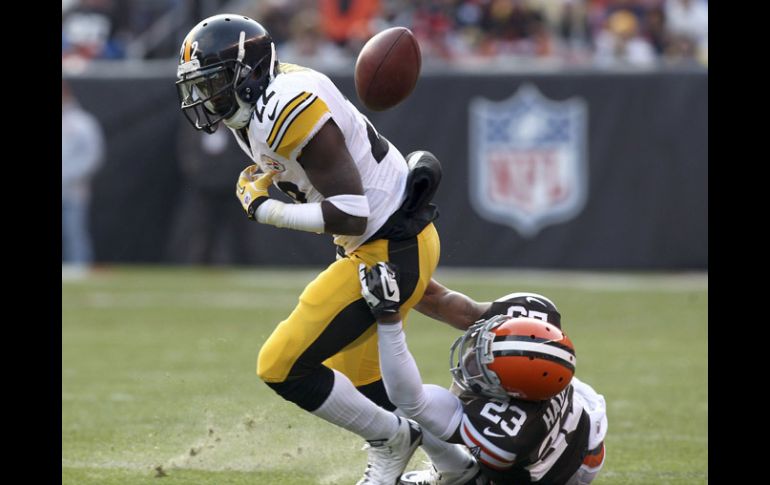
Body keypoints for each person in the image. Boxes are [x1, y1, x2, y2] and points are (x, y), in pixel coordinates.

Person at [175, 14, 459, 484]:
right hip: (382, 243)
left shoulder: (289, 102)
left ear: (247, 73)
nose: (207, 97)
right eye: (199, 86)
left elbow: (352, 212)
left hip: (385, 242)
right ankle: (458, 466)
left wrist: (265, 209)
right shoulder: (258, 105)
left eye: (215, 82)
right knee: (364, 382)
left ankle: (391, 441)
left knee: (281, 364)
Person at [360, 262, 608, 484]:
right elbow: (459, 308)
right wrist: (398, 279)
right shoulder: (535, 314)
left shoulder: (504, 438)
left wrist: (388, 318)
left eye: (483, 363)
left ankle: (455, 472)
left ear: (510, 393)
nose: (471, 357)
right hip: (580, 424)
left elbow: (408, 397)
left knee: (443, 419)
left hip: (553, 471)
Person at [62, 80, 105, 268]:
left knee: (74, 232)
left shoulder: (82, 123)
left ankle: (79, 268)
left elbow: (92, 156)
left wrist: (69, 176)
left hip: (73, 190)